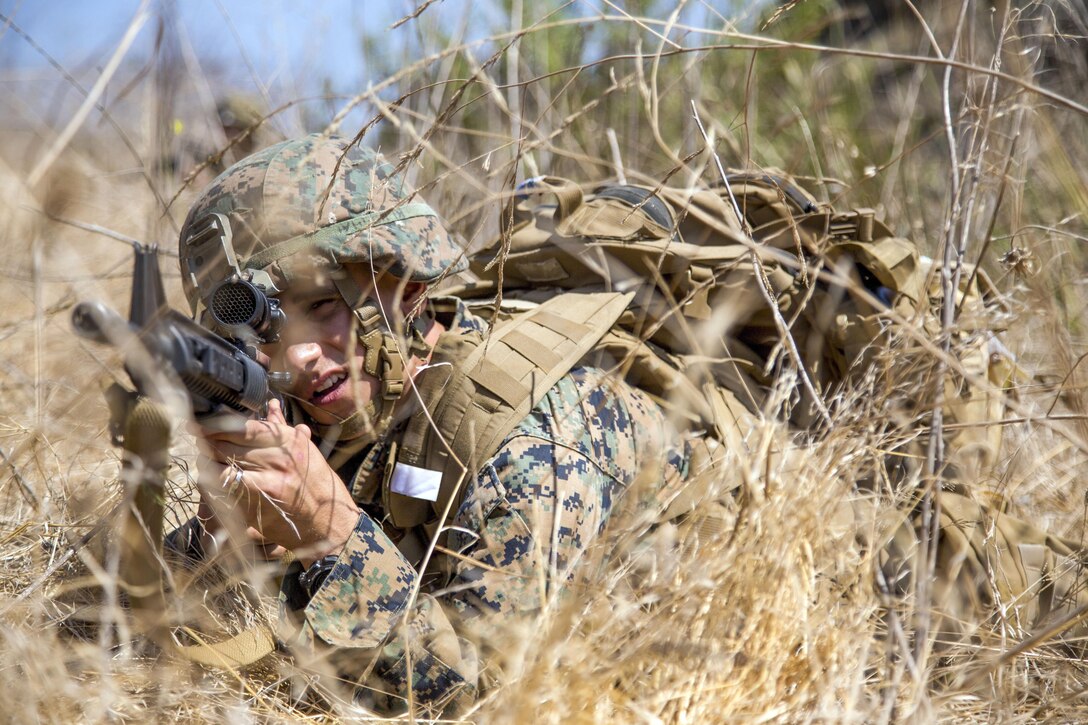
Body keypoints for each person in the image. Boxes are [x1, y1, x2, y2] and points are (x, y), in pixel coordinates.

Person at [167, 133, 700, 715]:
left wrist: (330, 532)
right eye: (264, 331)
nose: (297, 357)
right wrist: (212, 552)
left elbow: (496, 702)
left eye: (322, 307)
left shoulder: (525, 446)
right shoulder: (324, 408)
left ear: (407, 282)